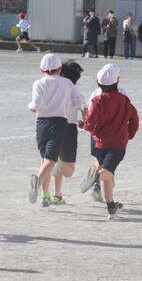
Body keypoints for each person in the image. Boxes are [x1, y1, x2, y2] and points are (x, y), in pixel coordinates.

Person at [80, 64, 139, 219]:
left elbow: (90, 123)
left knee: (108, 173)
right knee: (107, 172)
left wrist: (83, 125)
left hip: (100, 143)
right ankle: (94, 179)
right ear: (117, 81)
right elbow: (134, 118)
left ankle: (111, 207)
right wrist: (130, 134)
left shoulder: (97, 100)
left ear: (98, 84)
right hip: (117, 144)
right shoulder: (124, 100)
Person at [26, 53, 84, 207]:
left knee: (46, 159)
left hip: (41, 123)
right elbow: (78, 101)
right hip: (59, 123)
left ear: (41, 70)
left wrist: (31, 107)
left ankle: (45, 195)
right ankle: (37, 181)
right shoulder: (67, 83)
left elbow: (36, 104)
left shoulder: (38, 83)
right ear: (59, 69)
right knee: (51, 160)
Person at [49, 60, 88, 205]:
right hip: (69, 129)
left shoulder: (54, 92)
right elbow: (85, 111)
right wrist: (85, 123)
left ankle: (56, 195)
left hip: (51, 126)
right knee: (69, 170)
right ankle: (58, 163)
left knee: (53, 161)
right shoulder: (77, 93)